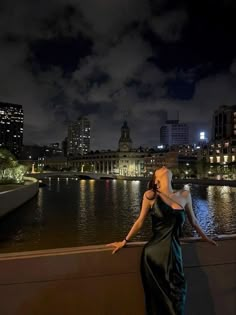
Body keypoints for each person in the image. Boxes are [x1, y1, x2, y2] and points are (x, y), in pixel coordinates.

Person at [106, 166, 217, 315]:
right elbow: (139, 222)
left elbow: (194, 222)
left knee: (178, 293)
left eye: (165, 167)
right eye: (159, 169)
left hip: (174, 253)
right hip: (154, 256)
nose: (164, 167)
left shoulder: (184, 194)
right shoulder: (150, 195)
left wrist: (206, 238)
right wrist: (124, 241)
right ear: (156, 180)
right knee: (158, 301)